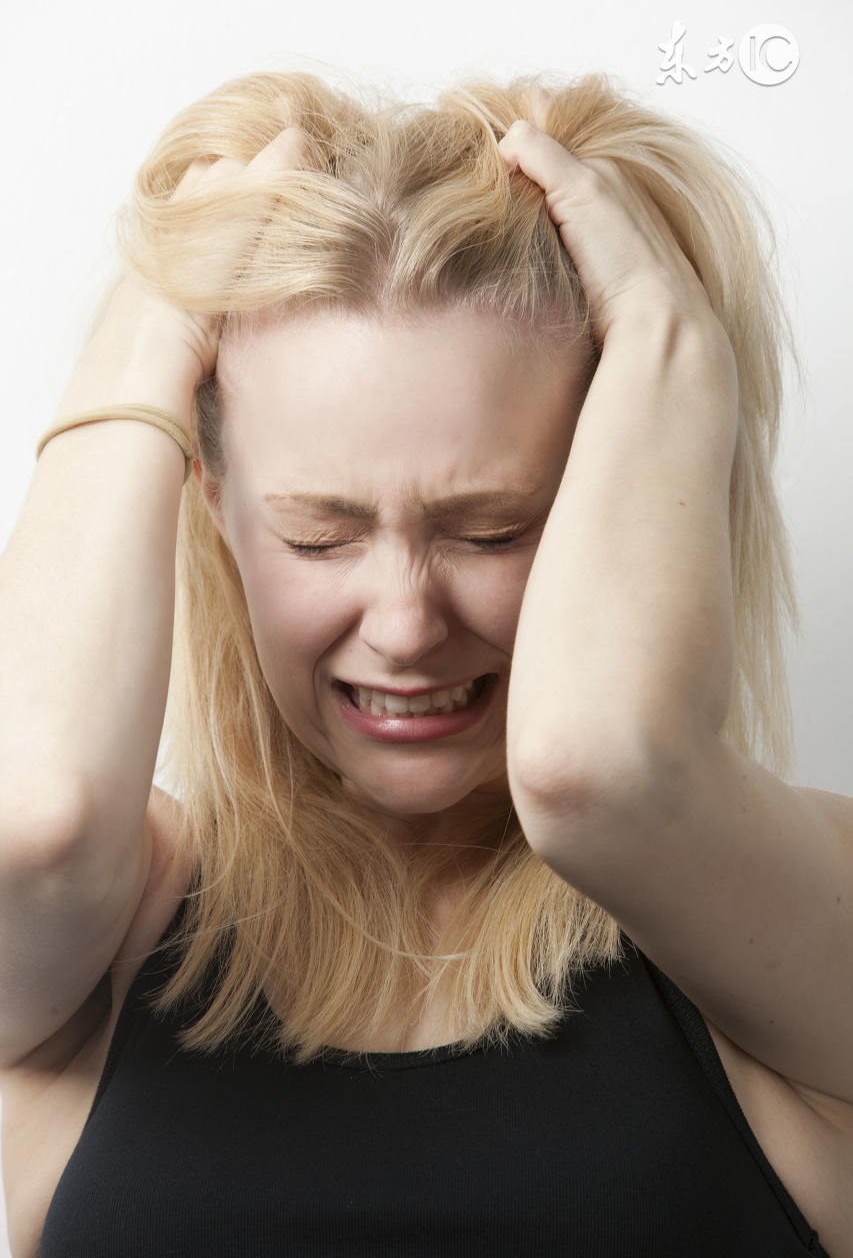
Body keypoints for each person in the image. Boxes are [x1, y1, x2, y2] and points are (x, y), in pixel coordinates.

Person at [0, 65, 849, 1257]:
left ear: (616, 494)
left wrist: (669, 338)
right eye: (320, 533)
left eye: (490, 528)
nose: (403, 624)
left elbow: (598, 770)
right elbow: (29, 822)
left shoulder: (804, 918)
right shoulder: (104, 927)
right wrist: (159, 310)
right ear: (207, 494)